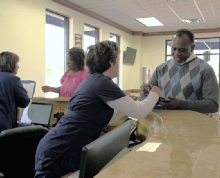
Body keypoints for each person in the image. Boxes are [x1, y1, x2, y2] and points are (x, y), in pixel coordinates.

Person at [34, 40, 161, 178]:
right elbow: (140, 111)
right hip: (60, 152)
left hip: (55, 147)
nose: (119, 64)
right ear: (111, 62)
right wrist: (155, 93)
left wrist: (125, 106)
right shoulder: (103, 83)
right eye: (117, 59)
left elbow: (100, 118)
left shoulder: (92, 80)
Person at [142, 28, 219, 113]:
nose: (177, 53)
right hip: (164, 122)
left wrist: (181, 104)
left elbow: (213, 105)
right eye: (174, 49)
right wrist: (145, 90)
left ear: (192, 48)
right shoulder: (161, 68)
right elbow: (149, 93)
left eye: (182, 50)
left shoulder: (205, 70)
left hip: (194, 124)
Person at [0, 51, 30, 132]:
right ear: (12, 64)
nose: (18, 66)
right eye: (17, 63)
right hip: (4, 125)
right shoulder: (13, 79)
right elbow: (24, 101)